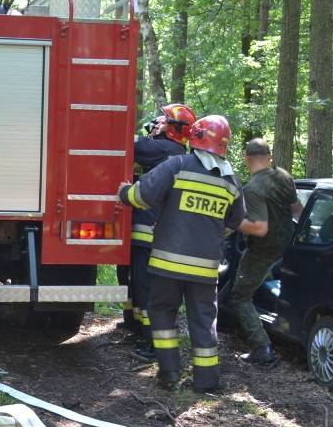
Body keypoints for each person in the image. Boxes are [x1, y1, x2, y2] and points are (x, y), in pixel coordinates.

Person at [118, 115, 246, 393]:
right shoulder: (231, 181)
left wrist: (124, 191)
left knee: (163, 313)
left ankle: (169, 372)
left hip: (167, 262)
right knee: (203, 320)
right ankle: (207, 381)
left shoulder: (177, 165)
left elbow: (142, 196)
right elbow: (235, 221)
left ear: (195, 137)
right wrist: (211, 235)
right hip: (205, 267)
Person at [128, 103, 196, 361]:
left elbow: (130, 144)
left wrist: (147, 134)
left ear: (175, 130)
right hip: (149, 231)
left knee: (147, 290)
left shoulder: (166, 149)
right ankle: (140, 331)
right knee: (140, 285)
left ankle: (152, 344)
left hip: (149, 234)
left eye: (165, 120)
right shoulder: (171, 149)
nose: (159, 122)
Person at [229, 137, 303, 364]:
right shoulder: (283, 175)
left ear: (246, 158)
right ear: (269, 156)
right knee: (271, 281)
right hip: (288, 247)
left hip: (263, 251)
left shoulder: (252, 189)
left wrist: (231, 221)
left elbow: (259, 228)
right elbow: (298, 210)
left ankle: (262, 348)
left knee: (240, 297)